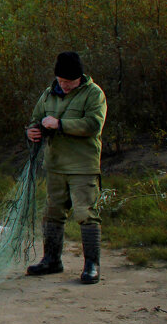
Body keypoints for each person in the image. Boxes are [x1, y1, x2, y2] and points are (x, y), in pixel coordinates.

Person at [25, 51, 107, 284]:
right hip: (55, 165)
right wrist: (31, 131)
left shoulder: (94, 94)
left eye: (69, 82)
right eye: (61, 81)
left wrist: (60, 124)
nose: (65, 86)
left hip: (83, 166)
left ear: (79, 77)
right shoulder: (48, 94)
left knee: (86, 213)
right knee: (52, 213)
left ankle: (92, 265)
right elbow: (35, 119)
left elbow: (93, 124)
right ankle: (51, 260)